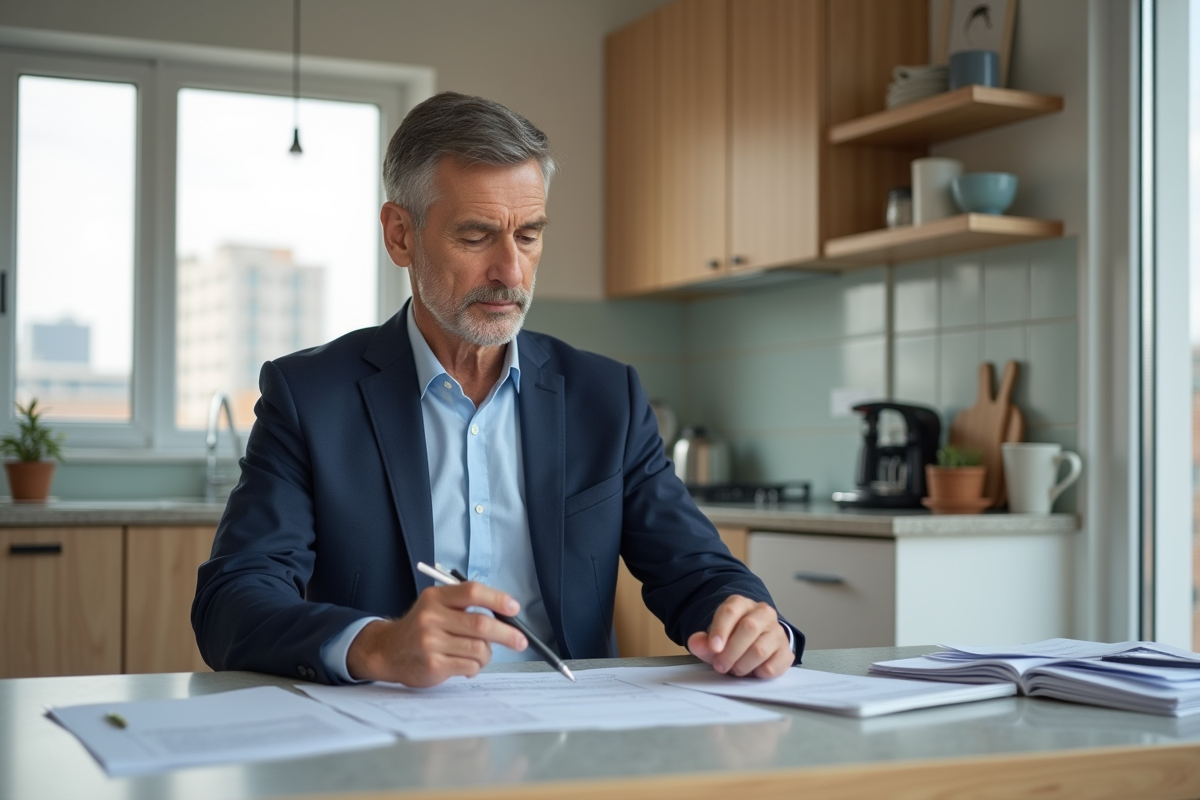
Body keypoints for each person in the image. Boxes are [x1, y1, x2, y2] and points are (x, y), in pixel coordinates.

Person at [192, 91, 803, 688]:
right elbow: (232, 602)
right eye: (476, 235)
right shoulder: (310, 398)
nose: (510, 272)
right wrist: (376, 644)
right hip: (387, 737)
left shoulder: (605, 397)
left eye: (529, 235)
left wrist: (747, 616)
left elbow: (695, 570)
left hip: (568, 737)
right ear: (400, 235)